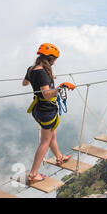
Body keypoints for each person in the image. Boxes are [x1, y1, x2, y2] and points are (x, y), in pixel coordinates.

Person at [22, 43, 76, 183]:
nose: (55, 62)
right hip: (46, 110)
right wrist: (60, 87)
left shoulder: (32, 69)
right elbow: (46, 94)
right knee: (45, 142)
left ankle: (59, 157)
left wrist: (45, 81)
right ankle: (32, 175)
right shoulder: (42, 72)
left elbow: (25, 83)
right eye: (54, 60)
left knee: (52, 135)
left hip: (37, 109)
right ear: (51, 59)